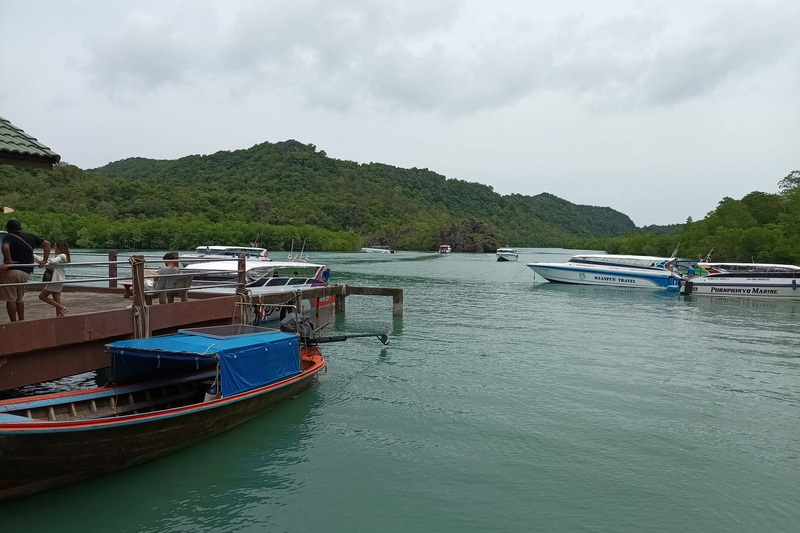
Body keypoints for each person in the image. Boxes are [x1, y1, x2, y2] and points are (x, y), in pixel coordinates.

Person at [0, 219, 51, 321]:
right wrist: (44, 260)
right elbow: (47, 244)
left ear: (8, 229)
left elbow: (5, 247)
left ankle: (13, 322)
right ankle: (21, 321)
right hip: (25, 273)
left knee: (11, 299)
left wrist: (9, 261)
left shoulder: (8, 238)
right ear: (20, 228)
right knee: (19, 299)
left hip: (11, 272)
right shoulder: (30, 237)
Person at [38, 241, 71, 316]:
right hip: (59, 280)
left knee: (42, 296)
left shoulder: (62, 256)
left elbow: (53, 261)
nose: (54, 249)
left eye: (55, 247)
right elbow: (52, 264)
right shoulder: (62, 256)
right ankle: (59, 316)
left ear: (60, 248)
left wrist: (45, 260)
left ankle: (62, 307)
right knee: (56, 299)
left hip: (56, 280)